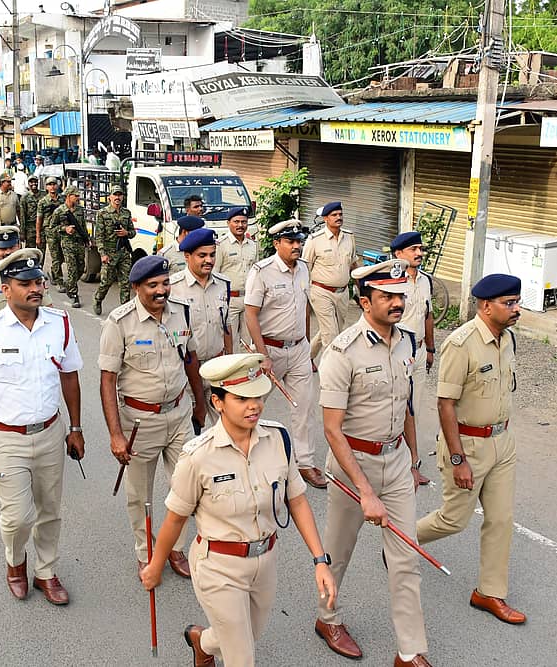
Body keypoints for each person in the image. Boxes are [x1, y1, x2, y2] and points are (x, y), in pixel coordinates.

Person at [141, 353, 337, 667]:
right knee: (242, 656)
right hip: (218, 566)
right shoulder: (198, 457)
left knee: (247, 634)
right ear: (217, 402)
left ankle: (202, 642)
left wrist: (319, 560)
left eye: (258, 396)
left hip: (265, 560)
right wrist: (155, 565)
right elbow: (175, 518)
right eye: (242, 398)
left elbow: (297, 500)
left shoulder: (278, 440)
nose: (254, 405)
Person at [315, 259, 431, 667]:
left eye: (401, 295)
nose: (397, 302)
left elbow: (408, 405)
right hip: (352, 466)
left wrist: (413, 460)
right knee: (338, 552)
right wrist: (365, 492)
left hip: (396, 460)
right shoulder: (341, 353)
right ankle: (328, 619)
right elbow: (332, 429)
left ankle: (410, 652)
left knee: (406, 559)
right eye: (388, 296)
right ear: (365, 302)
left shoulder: (408, 343)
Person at [0, 248, 85, 605]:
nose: (35, 288)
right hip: (5, 438)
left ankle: (47, 571)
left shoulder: (59, 323)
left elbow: (70, 376)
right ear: (5, 289)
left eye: (39, 281)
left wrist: (75, 428)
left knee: (50, 510)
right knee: (17, 517)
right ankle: (16, 561)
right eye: (25, 283)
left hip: (49, 431)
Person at [416, 274, 526, 625]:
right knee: (454, 519)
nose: (516, 309)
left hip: (502, 443)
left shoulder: (507, 339)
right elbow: (445, 404)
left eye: (516, 302)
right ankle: (402, 536)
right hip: (468, 445)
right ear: (485, 306)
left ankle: (489, 593)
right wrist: (459, 459)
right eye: (509, 303)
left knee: (501, 520)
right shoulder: (461, 344)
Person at [99, 255, 207, 579]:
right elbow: (107, 380)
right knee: (140, 497)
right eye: (153, 286)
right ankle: (146, 553)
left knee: (186, 488)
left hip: (179, 415)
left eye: (165, 283)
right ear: (136, 288)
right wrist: (116, 435)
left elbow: (191, 360)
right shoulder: (119, 324)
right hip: (139, 423)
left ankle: (174, 549)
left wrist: (199, 403)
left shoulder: (182, 313)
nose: (162, 291)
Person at [244, 220, 326, 489]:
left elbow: (304, 307)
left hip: (299, 348)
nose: (296, 246)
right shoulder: (262, 272)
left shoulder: (303, 268)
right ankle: (243, 455)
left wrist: (306, 343)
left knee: (304, 407)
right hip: (270, 350)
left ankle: (305, 463)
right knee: (251, 405)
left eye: (299, 241)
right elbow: (251, 314)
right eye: (290, 242)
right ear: (277, 243)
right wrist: (262, 354)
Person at [170, 227, 231, 425]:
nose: (209, 260)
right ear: (187, 256)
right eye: (202, 255)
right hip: (186, 373)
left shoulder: (223, 284)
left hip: (216, 369)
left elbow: (226, 327)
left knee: (226, 428)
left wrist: (228, 362)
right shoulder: (173, 288)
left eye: (212, 255)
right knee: (188, 434)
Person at [391, 231, 435, 485]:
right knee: (398, 408)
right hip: (398, 351)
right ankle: (406, 463)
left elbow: (427, 315)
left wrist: (430, 348)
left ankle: (411, 461)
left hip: (418, 351)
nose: (419, 253)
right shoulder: (392, 282)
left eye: (420, 249)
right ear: (398, 254)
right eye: (413, 249)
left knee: (413, 409)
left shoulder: (425, 281)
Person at [302, 201, 358, 365]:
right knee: (331, 335)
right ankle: (331, 373)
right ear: (325, 218)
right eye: (334, 215)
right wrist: (303, 294)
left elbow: (354, 263)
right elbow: (304, 267)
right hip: (321, 292)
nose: (338, 217)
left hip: (342, 292)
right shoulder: (315, 240)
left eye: (340, 214)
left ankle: (307, 357)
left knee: (334, 331)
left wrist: (361, 287)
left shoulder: (349, 237)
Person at [215, 206, 258, 351]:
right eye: (236, 221)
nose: (240, 225)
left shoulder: (253, 245)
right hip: (229, 300)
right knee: (230, 340)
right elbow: (214, 274)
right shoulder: (220, 245)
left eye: (244, 222)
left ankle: (247, 372)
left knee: (248, 341)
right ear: (228, 223)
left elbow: (256, 273)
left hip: (248, 299)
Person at [92, 184, 135, 315]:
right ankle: (98, 299)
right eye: (115, 195)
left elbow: (133, 232)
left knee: (125, 282)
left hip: (123, 252)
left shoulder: (126, 213)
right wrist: (102, 254)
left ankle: (125, 309)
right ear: (110, 197)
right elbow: (98, 236)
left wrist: (126, 233)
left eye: (120, 195)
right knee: (106, 282)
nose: (117, 197)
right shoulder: (102, 213)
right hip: (109, 252)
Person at [53, 186, 88, 308]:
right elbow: (51, 228)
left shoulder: (80, 210)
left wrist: (87, 239)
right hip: (67, 243)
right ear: (68, 196)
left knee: (81, 268)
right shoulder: (59, 211)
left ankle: (69, 284)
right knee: (72, 269)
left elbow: (82, 225)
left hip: (79, 243)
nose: (78, 198)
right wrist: (64, 229)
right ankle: (74, 295)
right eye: (76, 196)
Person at [37, 176, 63, 288]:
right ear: (46, 187)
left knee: (62, 256)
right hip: (49, 231)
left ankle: (54, 271)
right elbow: (39, 220)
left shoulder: (62, 200)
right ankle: (58, 280)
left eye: (54, 184)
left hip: (61, 230)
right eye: (49, 184)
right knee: (56, 256)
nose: (52, 187)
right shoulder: (43, 202)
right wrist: (38, 235)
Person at [19, 176, 43, 251]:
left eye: (35, 181)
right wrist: (22, 232)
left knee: (41, 252)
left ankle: (40, 263)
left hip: (42, 228)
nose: (34, 184)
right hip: (30, 229)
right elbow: (22, 215)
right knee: (30, 253)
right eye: (31, 182)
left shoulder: (43, 195)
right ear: (28, 183)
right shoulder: (25, 197)